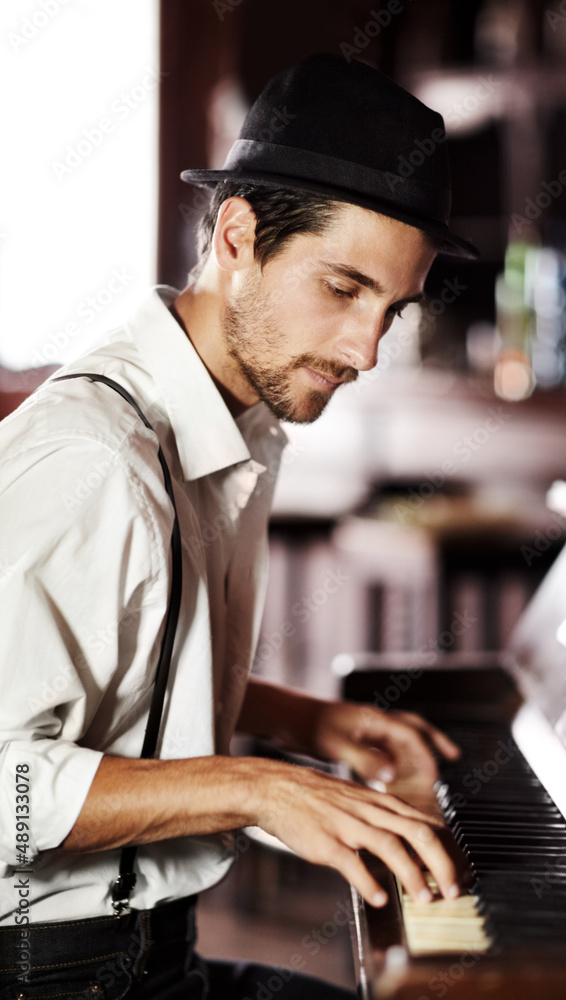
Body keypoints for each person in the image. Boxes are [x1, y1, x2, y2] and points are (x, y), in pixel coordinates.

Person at [0, 54, 478, 999]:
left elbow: (122, 664)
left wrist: (306, 722)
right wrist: (257, 785)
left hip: (151, 946)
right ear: (237, 237)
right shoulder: (92, 462)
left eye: (392, 308)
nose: (365, 350)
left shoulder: (240, 417)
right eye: (342, 289)